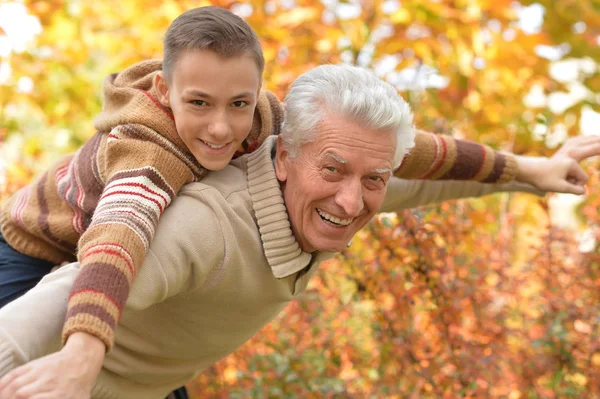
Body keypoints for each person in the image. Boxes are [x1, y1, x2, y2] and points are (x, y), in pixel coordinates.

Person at [0, 64, 596, 399]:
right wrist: (76, 361)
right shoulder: (207, 226)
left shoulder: (347, 182)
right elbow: (73, 287)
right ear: (283, 156)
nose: (351, 199)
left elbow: (431, 166)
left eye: (373, 179)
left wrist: (532, 172)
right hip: (58, 344)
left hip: (148, 378)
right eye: (333, 170)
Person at [0, 6, 528, 359]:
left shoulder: (268, 119)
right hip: (36, 246)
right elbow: (118, 234)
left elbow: (416, 153)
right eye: (199, 103)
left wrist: (528, 170)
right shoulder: (146, 150)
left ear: (258, 91)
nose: (222, 127)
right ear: (165, 89)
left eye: (239, 103)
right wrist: (83, 349)